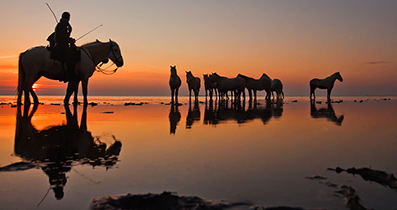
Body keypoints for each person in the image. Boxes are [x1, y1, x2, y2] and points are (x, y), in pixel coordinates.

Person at [54, 12, 76, 82]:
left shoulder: (64, 24)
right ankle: (68, 75)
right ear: (67, 18)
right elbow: (62, 37)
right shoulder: (62, 25)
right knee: (71, 57)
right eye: (69, 17)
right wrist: (70, 40)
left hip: (62, 44)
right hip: (61, 45)